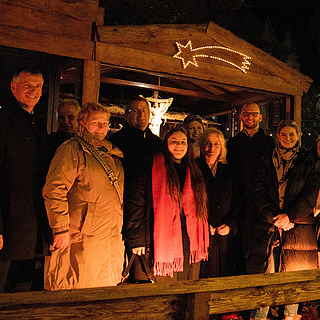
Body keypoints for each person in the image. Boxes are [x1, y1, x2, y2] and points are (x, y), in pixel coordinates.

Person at [43, 102, 124, 290]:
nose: (101, 128)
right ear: (83, 124)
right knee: (76, 288)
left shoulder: (112, 154)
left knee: (101, 293)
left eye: (104, 123)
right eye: (96, 123)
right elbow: (55, 189)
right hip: (80, 235)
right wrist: (60, 228)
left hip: (108, 235)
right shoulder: (72, 149)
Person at [248, 120, 319, 320]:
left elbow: (311, 192)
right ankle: (260, 315)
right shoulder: (266, 159)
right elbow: (257, 191)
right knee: (266, 272)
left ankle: (290, 315)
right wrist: (273, 216)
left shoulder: (307, 160)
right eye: (283, 135)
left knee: (293, 275)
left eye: (292, 135)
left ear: (298, 136)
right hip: (268, 225)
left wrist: (291, 215)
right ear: (277, 136)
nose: (287, 139)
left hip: (298, 226)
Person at [125, 127, 209, 282]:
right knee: (163, 290)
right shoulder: (150, 165)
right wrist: (137, 239)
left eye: (183, 142)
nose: (179, 145)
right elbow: (136, 203)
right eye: (174, 141)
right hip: (158, 241)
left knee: (186, 289)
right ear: (165, 143)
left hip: (188, 241)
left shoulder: (194, 169)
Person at [0, 67, 50, 292]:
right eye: (27, 85)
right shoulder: (4, 122)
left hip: (32, 228)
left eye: (38, 86)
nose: (33, 91)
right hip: (8, 226)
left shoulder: (37, 124)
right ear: (13, 87)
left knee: (23, 291)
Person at [109, 96, 163, 282]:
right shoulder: (116, 141)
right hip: (123, 206)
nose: (141, 115)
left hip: (152, 209)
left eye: (145, 111)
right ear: (126, 114)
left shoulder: (157, 143)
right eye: (135, 111)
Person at [227, 102, 275, 275]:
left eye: (254, 114)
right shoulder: (232, 144)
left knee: (261, 252)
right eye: (246, 114)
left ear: (260, 117)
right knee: (238, 251)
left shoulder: (270, 144)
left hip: (262, 206)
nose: (250, 117)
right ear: (240, 117)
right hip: (238, 204)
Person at [197, 128, 239, 278]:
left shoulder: (230, 170)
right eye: (207, 144)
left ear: (222, 148)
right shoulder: (194, 169)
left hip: (224, 237)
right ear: (201, 146)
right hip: (201, 235)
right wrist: (201, 226)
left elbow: (236, 202)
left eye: (216, 144)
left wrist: (230, 225)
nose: (211, 148)